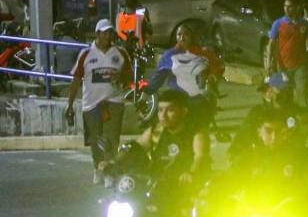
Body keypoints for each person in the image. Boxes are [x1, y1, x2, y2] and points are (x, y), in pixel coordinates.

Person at [66, 19, 130, 185]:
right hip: (92, 103)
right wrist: (70, 105)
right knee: (95, 140)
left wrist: (120, 77)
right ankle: (97, 168)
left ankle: (109, 172)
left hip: (114, 101)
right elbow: (76, 80)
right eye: (105, 32)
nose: (108, 36)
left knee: (111, 139)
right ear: (97, 34)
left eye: (110, 32)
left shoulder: (120, 53)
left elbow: (130, 77)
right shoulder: (86, 54)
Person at [130, 89, 211, 188]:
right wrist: (114, 162)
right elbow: (137, 146)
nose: (163, 116)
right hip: (156, 185)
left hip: (184, 187)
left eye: (170, 110)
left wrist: (191, 173)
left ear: (183, 111)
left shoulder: (196, 133)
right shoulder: (157, 131)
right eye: (160, 110)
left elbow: (200, 157)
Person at [150, 24, 225, 127]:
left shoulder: (204, 53)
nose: (182, 37)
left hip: (199, 94)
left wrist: (213, 77)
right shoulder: (169, 55)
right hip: (177, 95)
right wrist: (148, 91)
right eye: (179, 34)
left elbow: (218, 66)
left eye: (186, 34)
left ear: (192, 36)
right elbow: (158, 77)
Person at [265, 0, 308, 109]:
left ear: (297, 7)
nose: (287, 9)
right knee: (281, 92)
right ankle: (287, 116)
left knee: (301, 90)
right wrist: (269, 64)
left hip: (301, 65)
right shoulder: (278, 23)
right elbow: (271, 44)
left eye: (290, 6)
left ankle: (304, 116)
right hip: (282, 66)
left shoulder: (305, 24)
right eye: (285, 6)